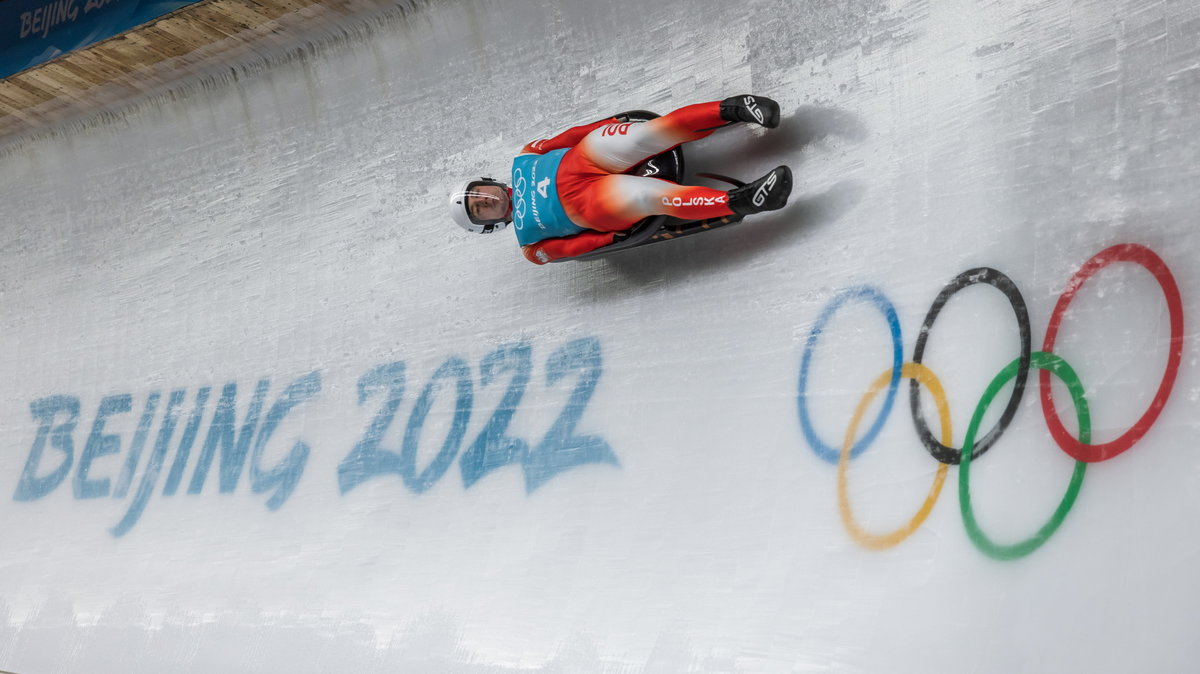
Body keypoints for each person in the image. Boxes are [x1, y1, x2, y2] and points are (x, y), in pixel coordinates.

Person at [449, 95, 793, 264]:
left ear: (489, 182)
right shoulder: (531, 245)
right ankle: (743, 200)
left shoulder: (525, 156)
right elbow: (574, 248)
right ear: (489, 225)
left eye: (482, 193)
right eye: (482, 208)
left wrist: (609, 122)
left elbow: (567, 138)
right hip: (592, 204)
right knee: (648, 195)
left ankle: (736, 108)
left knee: (648, 134)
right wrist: (613, 236)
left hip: (586, 156)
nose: (490, 200)